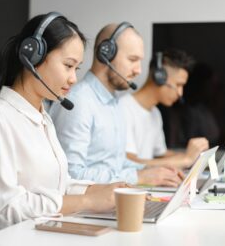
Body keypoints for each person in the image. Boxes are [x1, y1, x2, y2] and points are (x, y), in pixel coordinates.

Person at [0, 12, 126, 238]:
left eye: (76, 69)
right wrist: (87, 201)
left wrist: (99, 190)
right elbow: (6, 211)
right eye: (68, 65)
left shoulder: (43, 118)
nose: (73, 78)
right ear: (33, 55)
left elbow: (56, 185)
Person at [49, 22, 184, 187]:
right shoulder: (79, 102)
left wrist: (155, 170)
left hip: (110, 201)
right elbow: (71, 174)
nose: (138, 70)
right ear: (106, 53)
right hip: (83, 209)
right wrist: (137, 177)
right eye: (132, 60)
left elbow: (117, 163)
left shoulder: (115, 103)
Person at [119, 49, 209, 169]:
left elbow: (160, 155)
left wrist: (193, 156)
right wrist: (185, 160)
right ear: (159, 77)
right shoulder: (123, 108)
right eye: (178, 85)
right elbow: (129, 163)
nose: (180, 93)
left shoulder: (155, 113)